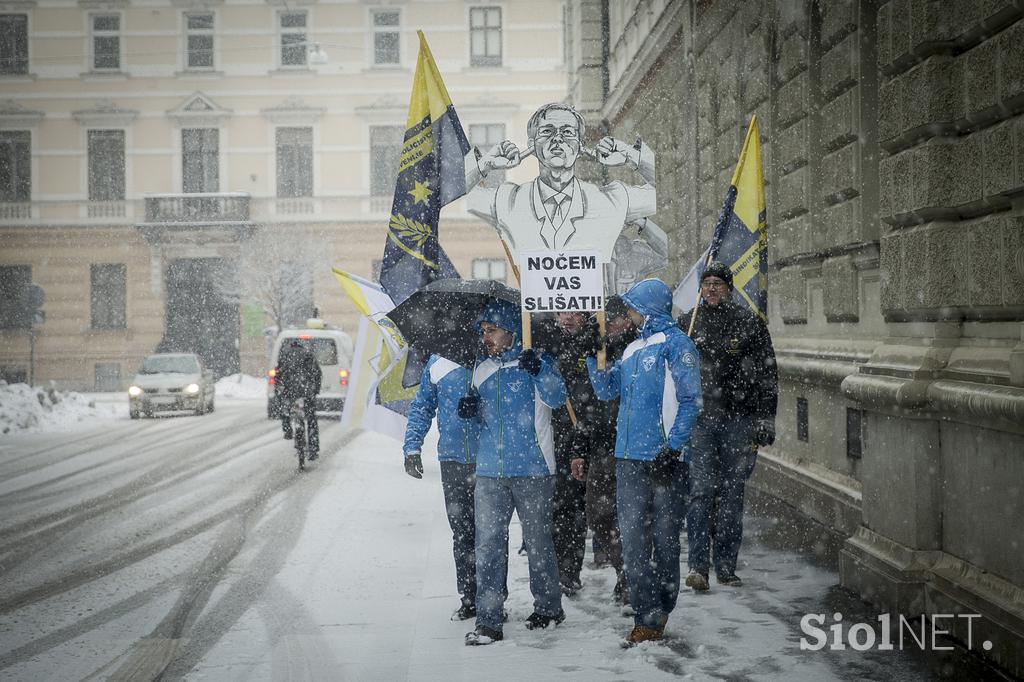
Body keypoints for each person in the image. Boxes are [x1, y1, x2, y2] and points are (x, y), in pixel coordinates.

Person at [588, 279, 702, 645]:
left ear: (649, 306)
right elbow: (607, 391)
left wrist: (673, 447)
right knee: (634, 542)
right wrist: (595, 358)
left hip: (664, 460)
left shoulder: (677, 345)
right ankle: (645, 615)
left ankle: (662, 607)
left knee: (665, 542)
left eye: (633, 306)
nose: (629, 314)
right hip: (627, 460)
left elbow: (690, 400)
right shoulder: (632, 348)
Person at [460, 299, 567, 646]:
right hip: (490, 471)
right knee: (488, 544)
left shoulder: (535, 361)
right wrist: (469, 410)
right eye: (482, 331)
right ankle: (489, 619)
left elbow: (556, 397)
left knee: (538, 543)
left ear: (510, 330)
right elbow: (480, 421)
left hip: (534, 468)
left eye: (491, 330)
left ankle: (549, 607)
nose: (485, 337)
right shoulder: (480, 369)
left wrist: (539, 371)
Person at [678, 261, 778, 591]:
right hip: (702, 421)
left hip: (739, 420)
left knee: (732, 494)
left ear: (730, 288)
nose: (711, 288)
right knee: (701, 492)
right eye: (706, 283)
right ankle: (697, 566)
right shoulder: (688, 324)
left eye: (718, 283)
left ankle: (726, 565)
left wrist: (765, 417)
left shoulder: (748, 323)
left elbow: (767, 374)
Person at [465, 102, 655, 264]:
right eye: (547, 131)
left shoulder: (613, 200)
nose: (557, 139)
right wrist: (486, 163)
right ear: (531, 144)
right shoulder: (506, 201)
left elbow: (659, 193)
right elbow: (453, 193)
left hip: (590, 306)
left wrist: (630, 157)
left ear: (580, 145)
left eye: (567, 132)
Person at [568, 295, 637, 605]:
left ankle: (630, 576)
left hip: (633, 445)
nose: (607, 327)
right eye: (602, 321)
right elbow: (585, 405)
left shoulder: (637, 348)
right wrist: (579, 449)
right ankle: (626, 568)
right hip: (601, 446)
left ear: (626, 319)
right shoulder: (595, 350)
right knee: (599, 514)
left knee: (630, 516)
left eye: (612, 320)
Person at [402, 354, 480, 621]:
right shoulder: (437, 362)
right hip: (453, 460)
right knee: (462, 532)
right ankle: (470, 598)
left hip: (491, 460)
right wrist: (412, 447)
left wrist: (480, 407)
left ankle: (493, 600)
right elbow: (422, 406)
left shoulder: (493, 355)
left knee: (491, 535)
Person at [535, 310, 599, 597]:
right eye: (562, 312)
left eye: (575, 312)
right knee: (558, 506)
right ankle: (562, 570)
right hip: (554, 434)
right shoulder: (547, 344)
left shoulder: (597, 345)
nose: (568, 318)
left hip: (590, 434)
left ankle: (572, 568)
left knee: (579, 507)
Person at [275, 339, 322, 458]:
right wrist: (315, 389)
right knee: (311, 418)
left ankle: (287, 430)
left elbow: (278, 374)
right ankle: (313, 448)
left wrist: (279, 390)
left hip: (289, 391)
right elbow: (317, 373)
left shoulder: (285, 355)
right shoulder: (308, 355)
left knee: (284, 409)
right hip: (306, 391)